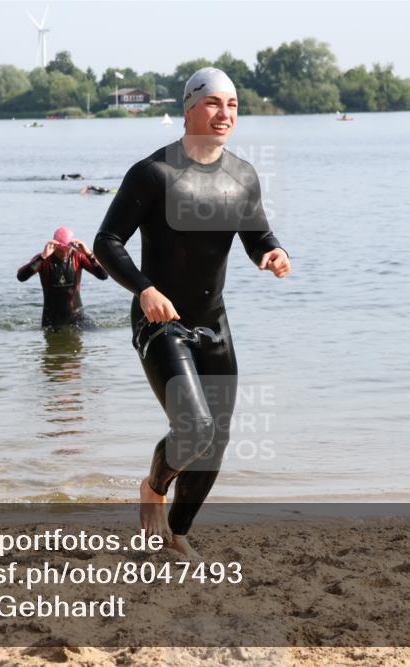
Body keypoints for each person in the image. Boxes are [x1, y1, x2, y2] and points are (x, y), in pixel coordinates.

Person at [93, 67, 291, 558]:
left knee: (216, 441)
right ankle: (152, 488)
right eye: (213, 104)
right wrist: (143, 289)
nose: (224, 114)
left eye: (233, 105)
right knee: (195, 428)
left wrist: (272, 252)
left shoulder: (242, 175)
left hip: (214, 324)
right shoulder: (153, 172)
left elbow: (256, 234)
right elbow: (106, 242)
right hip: (162, 324)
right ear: (188, 108)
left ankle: (176, 534)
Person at [17, 226, 108, 329]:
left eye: (67, 249)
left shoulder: (78, 256)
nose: (65, 253)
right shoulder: (44, 259)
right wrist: (42, 257)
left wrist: (89, 255)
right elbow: (21, 277)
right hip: (51, 318)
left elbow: (103, 275)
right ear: (55, 246)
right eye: (61, 250)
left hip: (77, 315)